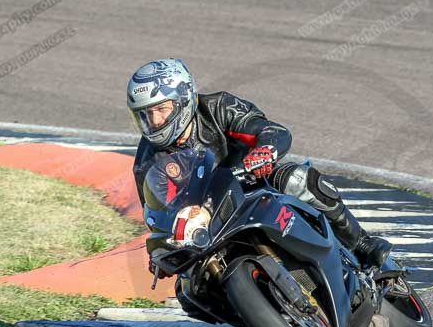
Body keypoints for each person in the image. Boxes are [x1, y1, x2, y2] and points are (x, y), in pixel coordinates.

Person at [128, 58, 391, 268]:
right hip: (208, 221)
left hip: (255, 184)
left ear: (184, 99)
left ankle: (362, 244)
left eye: (162, 109)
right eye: (147, 115)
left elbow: (269, 130)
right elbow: (157, 213)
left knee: (297, 180)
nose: (156, 121)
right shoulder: (147, 162)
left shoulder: (218, 107)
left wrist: (264, 151)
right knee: (188, 290)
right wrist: (162, 245)